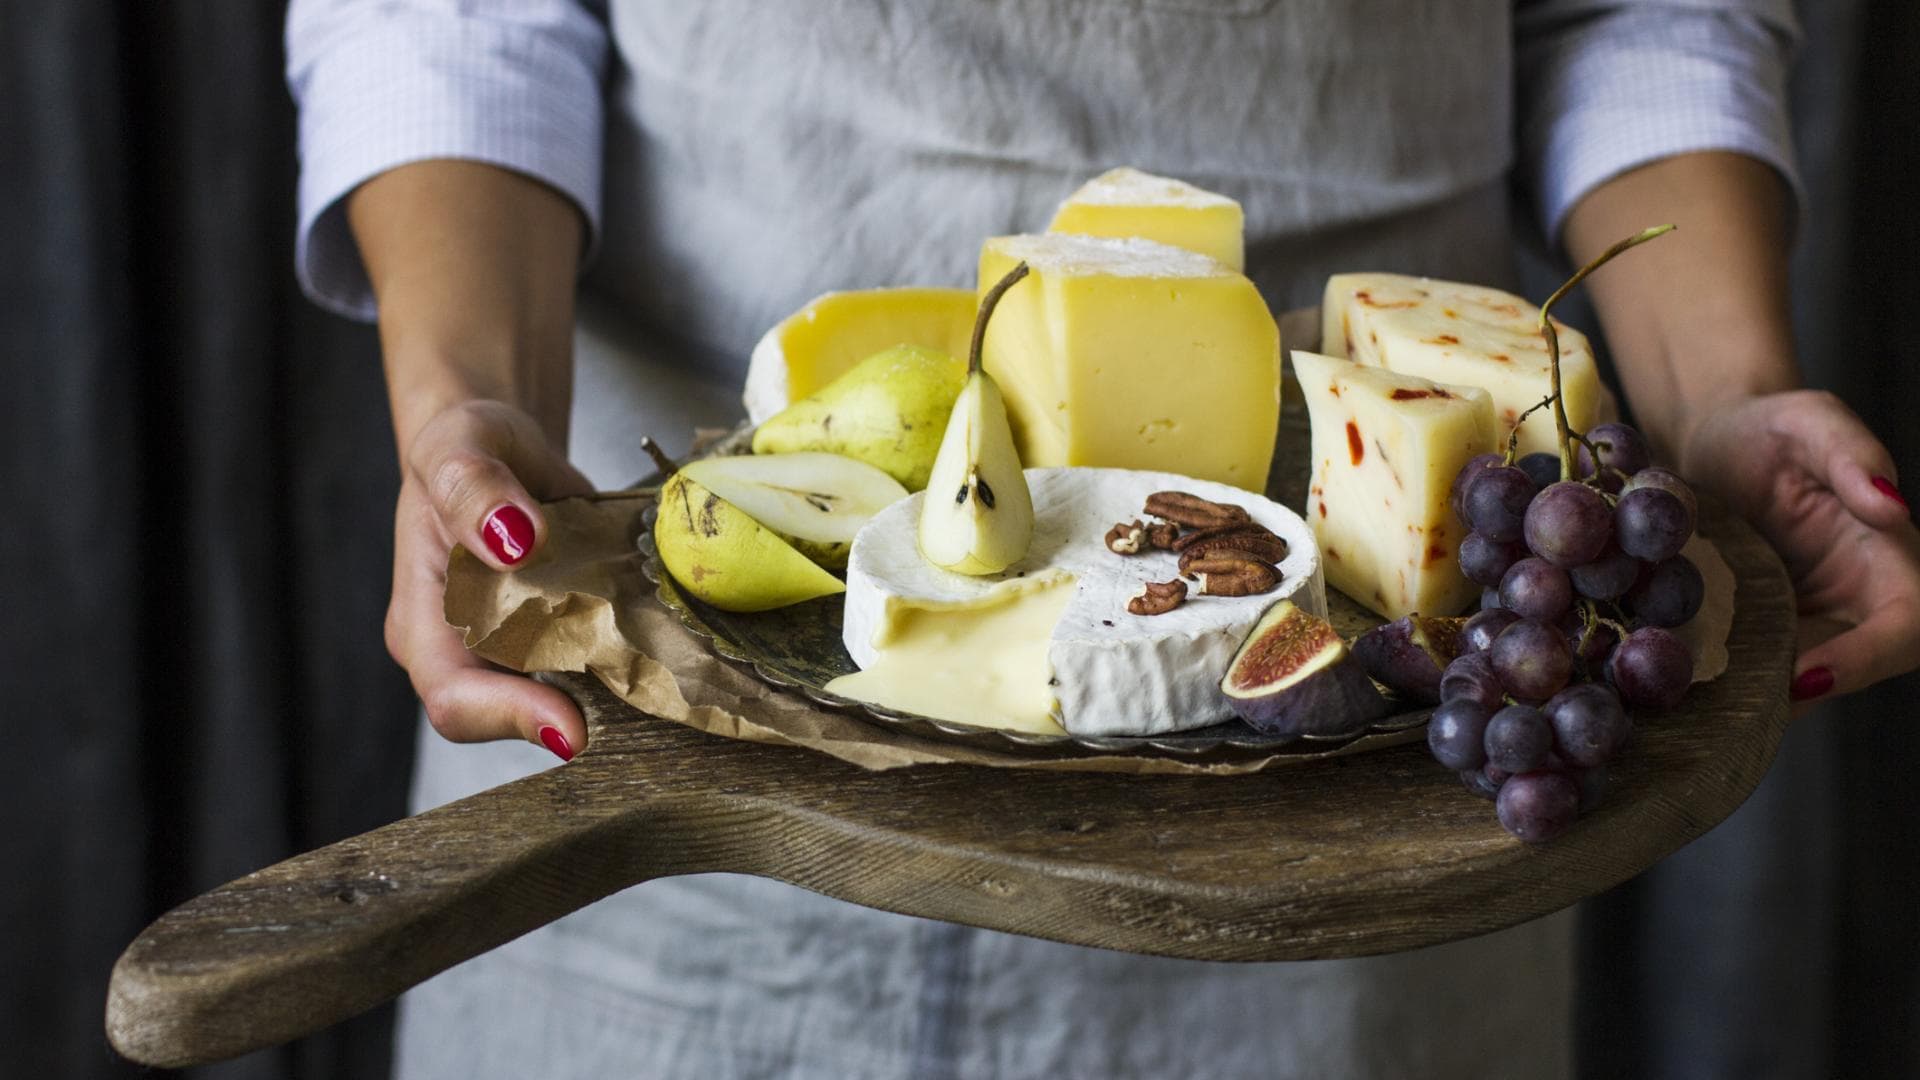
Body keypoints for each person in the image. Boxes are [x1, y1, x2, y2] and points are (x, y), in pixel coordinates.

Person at [288, 1, 1920, 1076]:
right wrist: (469, 407)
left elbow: (1638, 12)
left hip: (1355, 769)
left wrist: (1720, 386)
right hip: (695, 701)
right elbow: (449, 19)